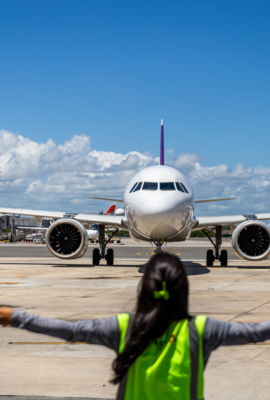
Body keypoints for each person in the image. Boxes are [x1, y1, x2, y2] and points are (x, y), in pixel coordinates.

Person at [1, 252, 270, 400]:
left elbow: (69, 331)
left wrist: (13, 316)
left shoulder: (123, 327)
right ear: (183, 291)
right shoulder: (201, 330)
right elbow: (258, 332)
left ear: (144, 288)